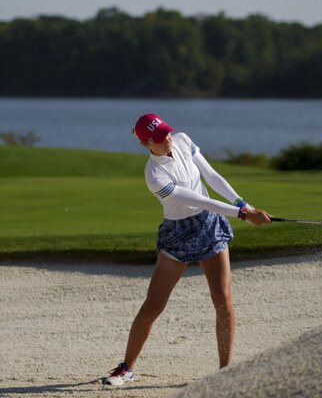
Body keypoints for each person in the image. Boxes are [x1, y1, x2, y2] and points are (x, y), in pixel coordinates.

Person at [103, 114, 273, 386]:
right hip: (177, 233)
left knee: (222, 299)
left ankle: (225, 370)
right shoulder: (154, 175)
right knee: (153, 306)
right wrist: (242, 215)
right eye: (159, 139)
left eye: (167, 133)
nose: (167, 140)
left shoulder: (182, 140)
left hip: (209, 227)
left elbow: (212, 176)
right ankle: (126, 368)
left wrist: (245, 205)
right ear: (146, 143)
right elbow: (199, 200)